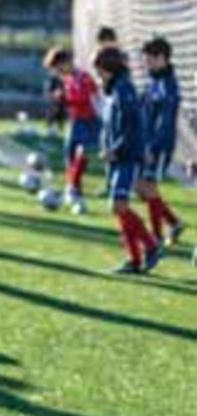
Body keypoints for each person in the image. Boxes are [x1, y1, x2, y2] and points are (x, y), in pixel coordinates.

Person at [94, 46, 161, 274]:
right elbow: (111, 125)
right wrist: (107, 147)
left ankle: (151, 245)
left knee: (118, 204)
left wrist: (115, 149)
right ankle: (133, 260)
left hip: (128, 157)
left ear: (108, 68)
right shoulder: (114, 89)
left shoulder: (125, 89)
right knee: (118, 208)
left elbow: (133, 127)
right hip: (117, 158)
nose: (98, 73)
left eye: (99, 69)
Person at [138, 37, 184, 246]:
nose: (146, 64)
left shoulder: (168, 87)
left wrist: (152, 148)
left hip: (159, 147)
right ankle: (173, 223)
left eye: (149, 60)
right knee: (142, 188)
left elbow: (165, 123)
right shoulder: (154, 82)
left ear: (162, 59)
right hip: (147, 145)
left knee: (149, 187)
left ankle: (155, 236)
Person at [44, 47, 101, 215]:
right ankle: (76, 194)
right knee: (69, 157)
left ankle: (73, 189)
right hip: (75, 122)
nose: (58, 72)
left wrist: (65, 98)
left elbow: (89, 97)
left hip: (89, 123)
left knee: (81, 155)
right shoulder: (67, 79)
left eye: (58, 67)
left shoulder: (84, 78)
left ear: (67, 62)